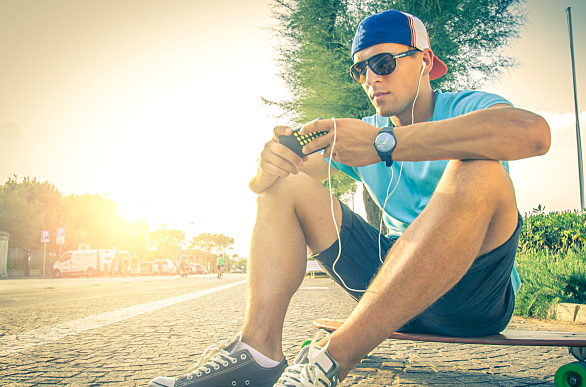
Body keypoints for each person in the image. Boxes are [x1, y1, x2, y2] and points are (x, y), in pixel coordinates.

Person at [148, 9, 550, 387]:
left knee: (481, 168)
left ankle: (328, 362)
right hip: (388, 283)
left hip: (470, 300)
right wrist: (266, 167)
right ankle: (259, 351)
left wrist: (384, 143)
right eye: (361, 70)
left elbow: (533, 134)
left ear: (425, 61)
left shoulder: (467, 108)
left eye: (383, 64)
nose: (371, 79)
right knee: (285, 185)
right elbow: (275, 181)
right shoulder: (362, 133)